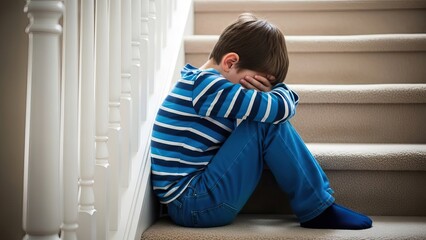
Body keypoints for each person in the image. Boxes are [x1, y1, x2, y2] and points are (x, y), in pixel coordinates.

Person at [150, 13, 373, 230]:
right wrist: (277, 92)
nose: (254, 90)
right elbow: (278, 110)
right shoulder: (208, 87)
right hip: (194, 203)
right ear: (230, 62)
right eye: (254, 83)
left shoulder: (200, 84)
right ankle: (317, 206)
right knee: (264, 121)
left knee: (262, 116)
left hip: (192, 200)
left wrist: (267, 98)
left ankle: (318, 203)